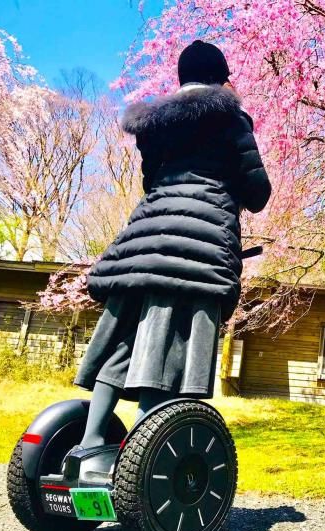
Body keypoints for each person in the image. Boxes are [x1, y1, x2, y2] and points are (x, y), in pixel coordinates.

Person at [68, 40, 271, 454]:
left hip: (143, 240)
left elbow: (150, 183)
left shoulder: (156, 124)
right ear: (220, 77)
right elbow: (257, 193)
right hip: (201, 241)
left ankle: (88, 445)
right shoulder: (232, 120)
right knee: (171, 350)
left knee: (123, 337)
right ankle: (141, 457)